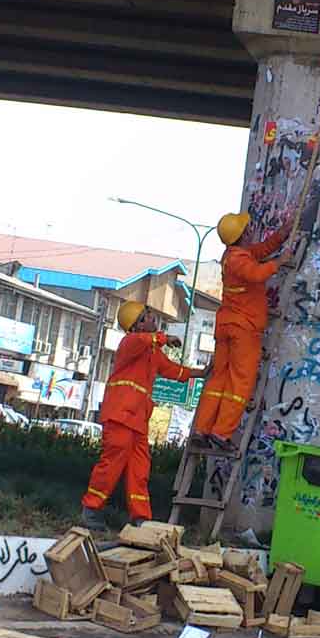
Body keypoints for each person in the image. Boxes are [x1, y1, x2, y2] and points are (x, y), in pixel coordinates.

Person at [80, 301, 205, 528]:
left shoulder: (151, 351)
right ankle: (91, 509)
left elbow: (173, 370)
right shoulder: (130, 342)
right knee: (111, 464)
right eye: (146, 316)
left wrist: (202, 373)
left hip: (137, 420)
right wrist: (165, 338)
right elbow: (145, 341)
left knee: (140, 470)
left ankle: (140, 518)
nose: (152, 317)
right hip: (120, 416)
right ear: (137, 325)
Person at [193, 212, 288, 447]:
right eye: (248, 228)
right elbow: (256, 273)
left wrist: (280, 236)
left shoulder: (232, 256)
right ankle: (221, 433)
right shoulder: (239, 260)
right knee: (240, 382)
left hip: (227, 326)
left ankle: (202, 430)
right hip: (243, 328)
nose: (251, 230)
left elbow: (260, 251)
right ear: (243, 234)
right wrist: (279, 262)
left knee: (218, 380)